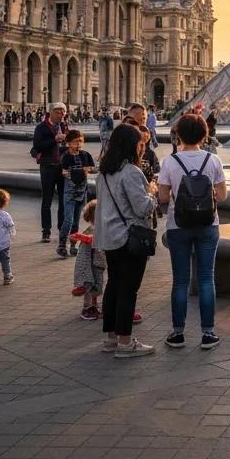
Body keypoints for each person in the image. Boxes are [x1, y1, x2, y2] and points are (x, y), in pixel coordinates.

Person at [157, 113, 228, 350]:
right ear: (204, 134)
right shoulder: (213, 160)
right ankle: (208, 334)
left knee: (180, 281)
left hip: (178, 226)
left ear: (178, 134)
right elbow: (224, 196)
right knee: (207, 278)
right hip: (209, 224)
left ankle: (178, 334)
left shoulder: (169, 161)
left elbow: (163, 197)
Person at [94, 124, 158, 357]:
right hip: (128, 238)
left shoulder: (104, 172)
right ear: (131, 146)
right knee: (128, 290)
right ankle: (125, 342)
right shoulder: (131, 172)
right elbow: (142, 208)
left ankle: (111, 338)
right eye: (140, 144)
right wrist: (151, 191)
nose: (142, 148)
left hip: (109, 237)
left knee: (113, 285)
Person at [32, 102, 68, 242]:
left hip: (62, 168)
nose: (61, 115)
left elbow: (67, 145)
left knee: (63, 201)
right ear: (51, 112)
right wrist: (54, 140)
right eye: (58, 112)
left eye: (63, 113)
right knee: (47, 200)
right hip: (48, 167)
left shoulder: (64, 127)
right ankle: (46, 231)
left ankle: (61, 229)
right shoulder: (41, 128)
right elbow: (37, 146)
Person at [58, 129, 95, 258]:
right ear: (68, 143)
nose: (78, 144)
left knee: (76, 221)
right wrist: (78, 171)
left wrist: (89, 169)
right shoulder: (66, 156)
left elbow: (92, 167)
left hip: (82, 191)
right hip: (70, 191)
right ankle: (62, 244)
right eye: (75, 141)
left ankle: (73, 245)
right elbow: (64, 172)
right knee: (68, 219)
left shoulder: (85, 154)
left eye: (80, 141)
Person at [71, 199, 105, 320]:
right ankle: (87, 307)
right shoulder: (92, 229)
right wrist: (80, 237)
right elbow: (91, 240)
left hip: (99, 262)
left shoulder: (102, 228)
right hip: (92, 262)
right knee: (90, 284)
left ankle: (94, 305)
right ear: (91, 216)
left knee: (97, 285)